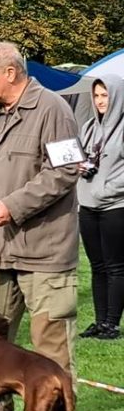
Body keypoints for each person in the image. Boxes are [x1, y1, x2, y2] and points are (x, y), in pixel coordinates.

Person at [0, 41, 80, 411]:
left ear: (10, 72)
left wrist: (14, 206)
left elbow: (66, 171)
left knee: (48, 341)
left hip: (45, 250)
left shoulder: (53, 110)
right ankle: (0, 410)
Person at [77, 75, 124, 340]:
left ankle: (112, 323)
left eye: (105, 95)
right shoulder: (88, 128)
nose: (100, 101)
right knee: (97, 266)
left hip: (115, 205)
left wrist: (109, 187)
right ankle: (99, 320)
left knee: (115, 265)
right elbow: (80, 156)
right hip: (88, 203)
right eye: (96, 96)